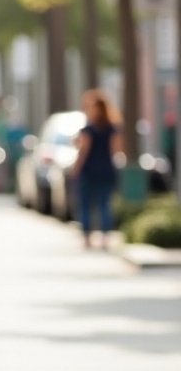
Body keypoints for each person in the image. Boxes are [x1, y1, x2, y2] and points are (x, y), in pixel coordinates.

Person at [71, 88, 123, 250]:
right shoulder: (113, 128)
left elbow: (83, 152)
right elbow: (117, 151)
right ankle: (105, 237)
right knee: (104, 205)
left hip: (89, 171)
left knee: (86, 205)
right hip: (106, 170)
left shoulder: (88, 130)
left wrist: (76, 169)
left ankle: (87, 237)